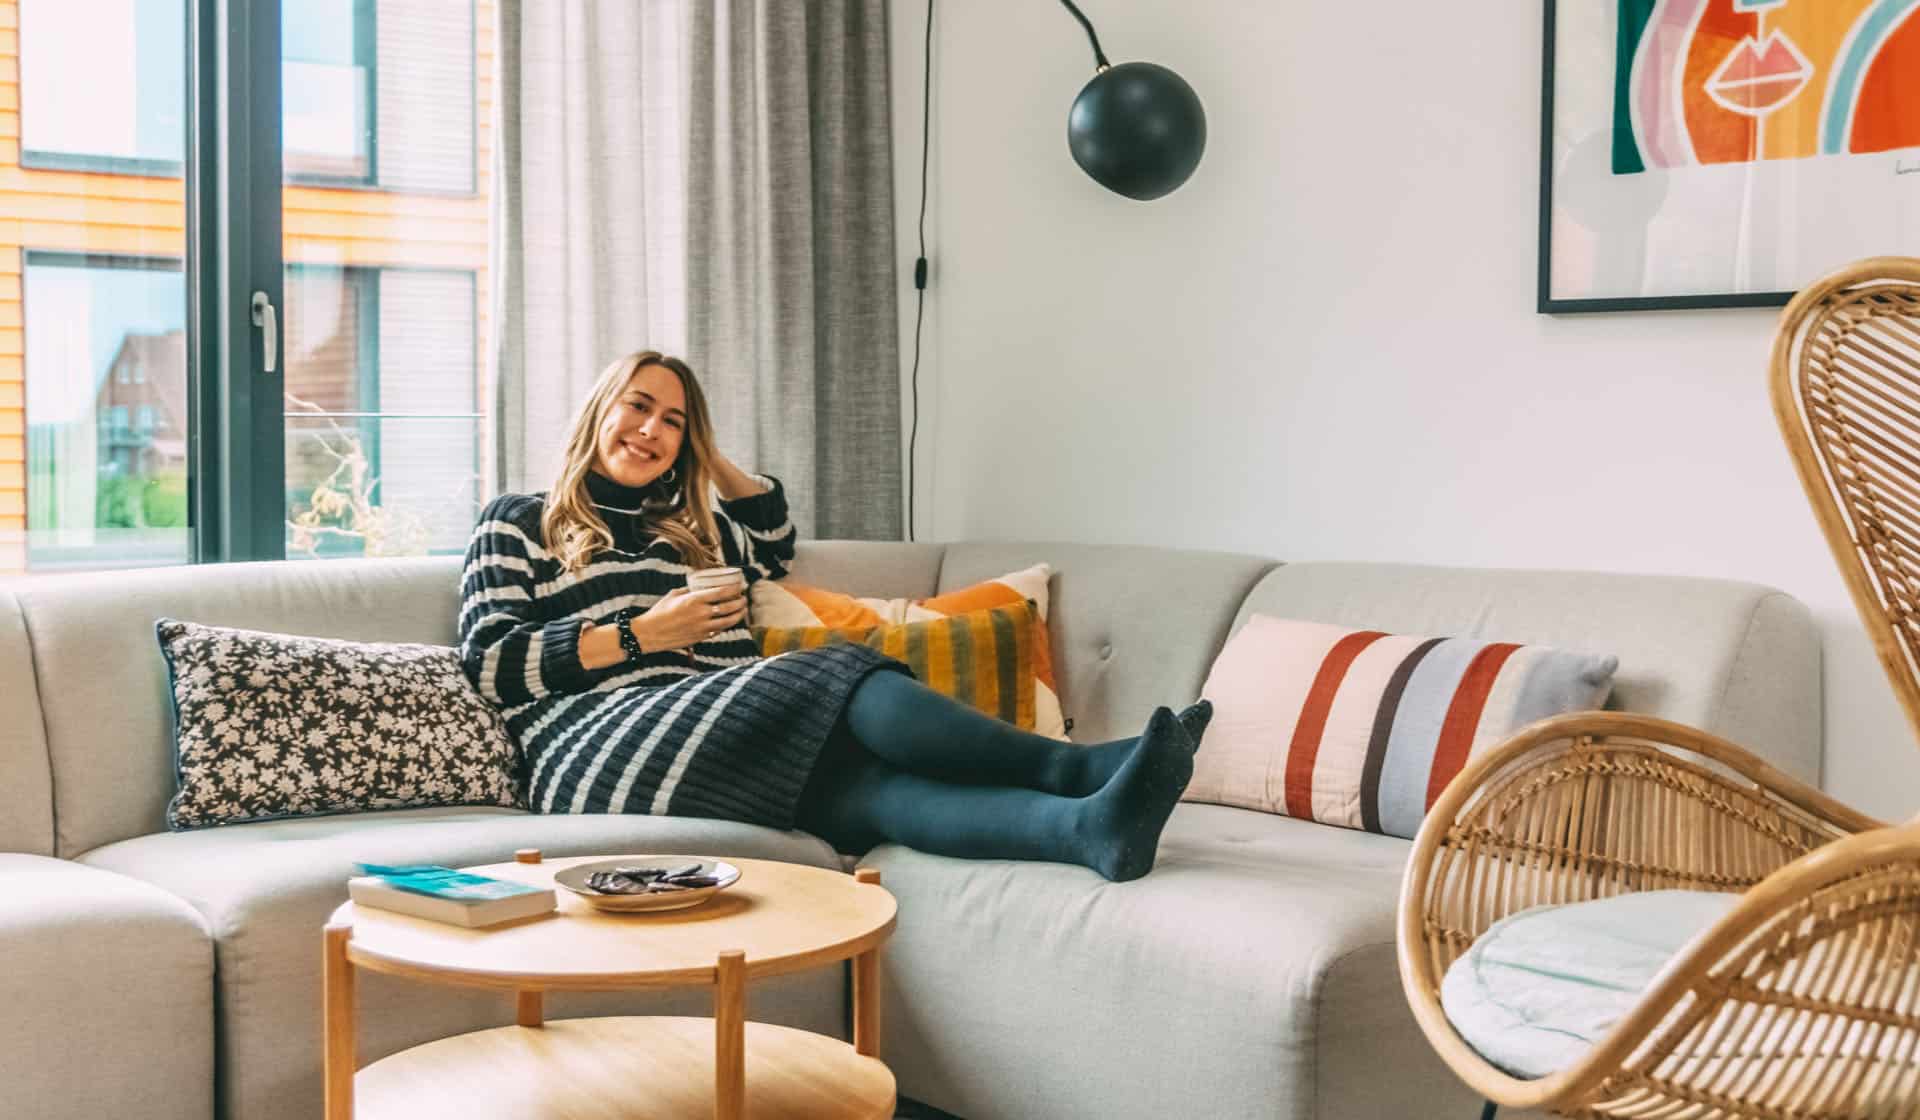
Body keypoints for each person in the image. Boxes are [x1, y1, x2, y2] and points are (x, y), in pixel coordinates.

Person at [458, 350, 1209, 881]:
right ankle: (1076, 767)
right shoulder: (519, 520)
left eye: (675, 422)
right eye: (639, 406)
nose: (652, 430)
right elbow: (490, 664)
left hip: (705, 733)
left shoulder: (685, 536)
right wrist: (645, 634)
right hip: (588, 748)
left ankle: (1090, 831)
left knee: (868, 794)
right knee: (842, 672)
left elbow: (774, 538)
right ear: (601, 408)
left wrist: (709, 455)